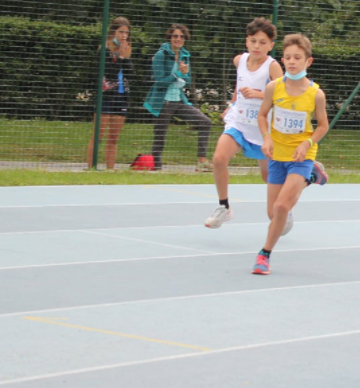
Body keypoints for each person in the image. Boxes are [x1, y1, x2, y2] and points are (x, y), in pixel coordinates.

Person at [205, 18, 325, 234]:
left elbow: (283, 93)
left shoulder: (273, 66)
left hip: (264, 130)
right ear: (247, 42)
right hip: (239, 123)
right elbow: (240, 84)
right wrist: (232, 103)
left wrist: (258, 95)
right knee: (219, 158)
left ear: (271, 45)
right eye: (253, 41)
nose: (257, 46)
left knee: (268, 177)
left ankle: (307, 179)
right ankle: (224, 206)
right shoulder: (239, 60)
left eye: (262, 42)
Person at [251, 34, 329, 275]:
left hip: (301, 157)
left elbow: (323, 126)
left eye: (297, 57)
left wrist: (307, 144)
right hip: (277, 156)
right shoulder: (274, 87)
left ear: (309, 61)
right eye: (287, 57)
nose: (292, 62)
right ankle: (313, 177)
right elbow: (262, 115)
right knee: (273, 213)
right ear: (282, 59)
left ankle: (264, 255)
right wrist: (266, 137)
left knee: (283, 207)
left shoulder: (316, 94)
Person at [143, 24, 213, 171]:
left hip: (179, 101)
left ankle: (201, 161)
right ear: (170, 37)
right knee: (160, 135)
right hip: (163, 102)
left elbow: (187, 81)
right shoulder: (161, 55)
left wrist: (185, 75)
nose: (178, 39)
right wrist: (178, 75)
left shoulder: (185, 55)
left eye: (181, 36)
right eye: (175, 36)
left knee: (205, 122)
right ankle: (156, 168)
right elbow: (159, 81)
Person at [86, 16, 133, 170]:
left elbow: (130, 74)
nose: (124, 36)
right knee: (98, 136)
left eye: (126, 33)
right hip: (105, 96)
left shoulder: (126, 49)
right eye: (121, 32)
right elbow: (110, 73)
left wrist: (125, 58)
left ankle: (110, 170)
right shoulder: (105, 50)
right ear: (113, 32)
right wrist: (120, 57)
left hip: (121, 96)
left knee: (113, 138)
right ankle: (91, 168)